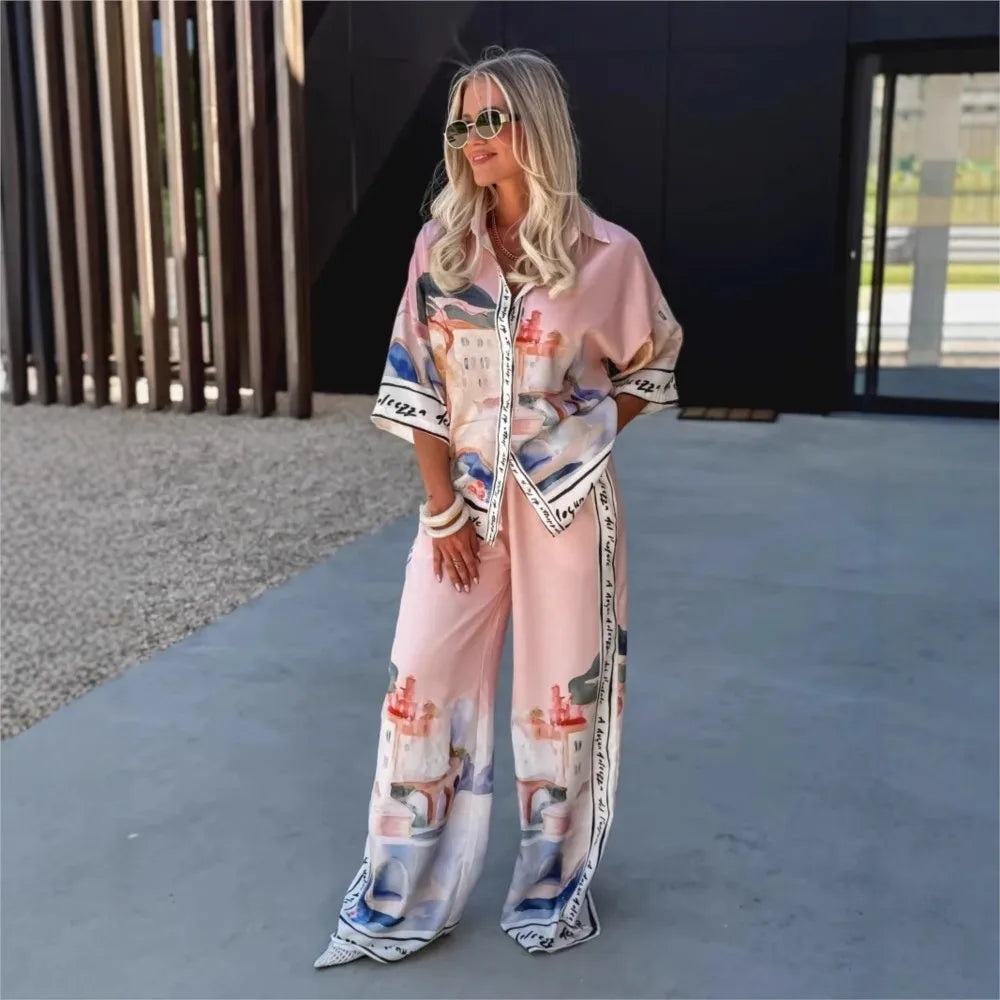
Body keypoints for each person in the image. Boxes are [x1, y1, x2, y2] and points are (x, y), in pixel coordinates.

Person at [315, 45, 683, 968]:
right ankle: (403, 884)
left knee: (562, 698)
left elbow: (655, 362)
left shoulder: (607, 254)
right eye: (461, 123)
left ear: (536, 125)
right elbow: (418, 383)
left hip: (566, 510)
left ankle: (551, 883)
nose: (473, 138)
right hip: (467, 510)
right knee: (420, 684)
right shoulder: (442, 248)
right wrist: (441, 510)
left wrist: (581, 436)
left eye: (491, 119)